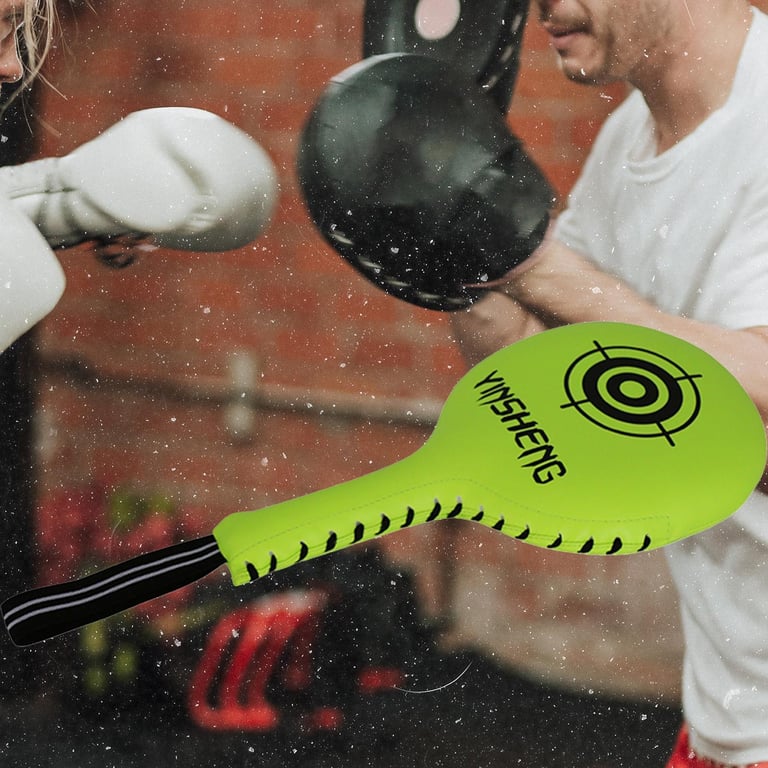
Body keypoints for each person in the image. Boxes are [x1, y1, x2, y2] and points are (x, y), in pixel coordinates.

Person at [450, 0, 768, 766]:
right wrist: (456, 251)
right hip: (729, 717)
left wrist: (531, 263)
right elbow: (540, 373)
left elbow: (756, 396)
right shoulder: (631, 136)